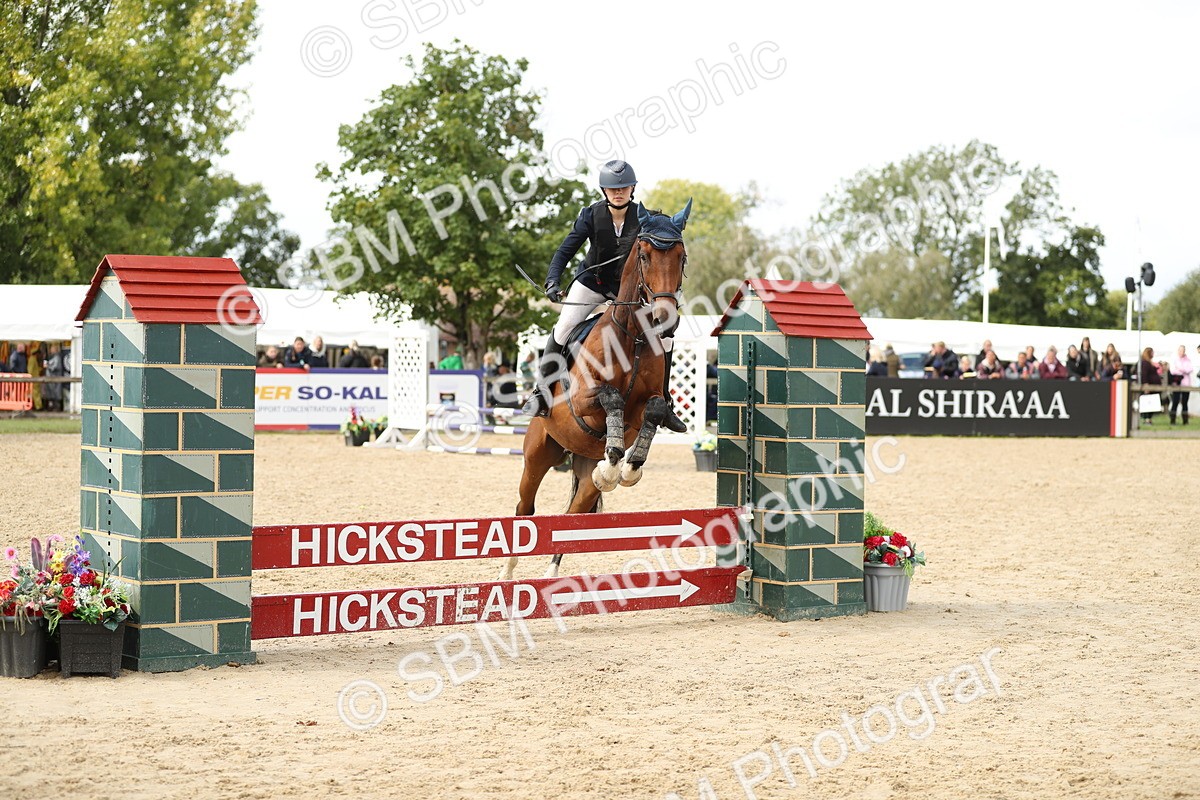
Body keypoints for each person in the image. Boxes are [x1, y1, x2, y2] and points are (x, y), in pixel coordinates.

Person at [521, 159, 687, 432]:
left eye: (623, 187)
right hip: (593, 283)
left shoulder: (643, 217)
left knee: (665, 338)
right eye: (613, 188)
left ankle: (665, 402)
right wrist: (552, 280)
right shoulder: (591, 215)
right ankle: (541, 393)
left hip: (630, 290)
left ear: (632, 188)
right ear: (604, 191)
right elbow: (566, 250)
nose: (618, 192)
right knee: (563, 328)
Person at [1168, 344, 1193, 425]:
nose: (1181, 352)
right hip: (1177, 384)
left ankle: (1185, 421)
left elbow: (1189, 369)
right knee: (1175, 401)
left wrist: (1180, 369)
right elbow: (1172, 371)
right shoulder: (1174, 359)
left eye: (1183, 350)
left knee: (1185, 402)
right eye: (1180, 350)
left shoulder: (1188, 360)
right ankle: (1173, 420)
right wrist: (1183, 371)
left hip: (1186, 384)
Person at [1139, 347, 1161, 425]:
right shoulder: (1145, 363)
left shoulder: (1150, 362)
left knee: (1152, 403)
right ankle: (1146, 419)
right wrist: (1146, 385)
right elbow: (1144, 374)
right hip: (1149, 386)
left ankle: (1149, 419)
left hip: (1153, 386)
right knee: (1147, 403)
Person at [43, 343, 69, 411]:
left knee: (56, 394)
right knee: (51, 393)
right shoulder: (52, 357)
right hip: (51, 379)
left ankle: (57, 408)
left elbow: (56, 367)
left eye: (52, 349)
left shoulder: (57, 357)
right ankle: (52, 407)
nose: (51, 350)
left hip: (55, 379)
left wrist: (48, 366)